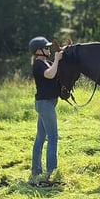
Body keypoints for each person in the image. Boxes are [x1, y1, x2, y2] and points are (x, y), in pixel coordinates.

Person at [28, 36, 63, 186]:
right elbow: (50, 74)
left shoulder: (45, 63)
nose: (49, 49)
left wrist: (60, 57)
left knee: (41, 137)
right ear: (38, 51)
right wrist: (56, 59)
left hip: (46, 104)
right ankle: (50, 170)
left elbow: (55, 70)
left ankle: (36, 170)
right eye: (47, 48)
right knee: (53, 137)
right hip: (45, 104)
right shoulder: (38, 65)